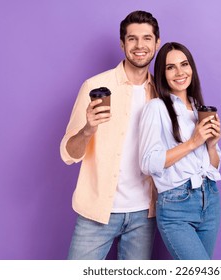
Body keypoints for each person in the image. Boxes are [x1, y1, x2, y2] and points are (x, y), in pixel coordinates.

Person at [60, 10, 161, 260]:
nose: (140, 45)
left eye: (147, 38)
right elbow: (68, 154)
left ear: (157, 43)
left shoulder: (162, 93)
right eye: (132, 38)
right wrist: (88, 130)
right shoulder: (94, 86)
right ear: (122, 43)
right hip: (96, 212)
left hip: (144, 215)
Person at [139, 42, 221, 260]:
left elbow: (212, 167)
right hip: (176, 205)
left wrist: (211, 145)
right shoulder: (156, 107)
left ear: (192, 68)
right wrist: (193, 142)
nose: (179, 72)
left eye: (184, 64)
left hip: (210, 199)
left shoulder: (198, 108)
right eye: (170, 67)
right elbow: (148, 163)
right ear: (162, 74)